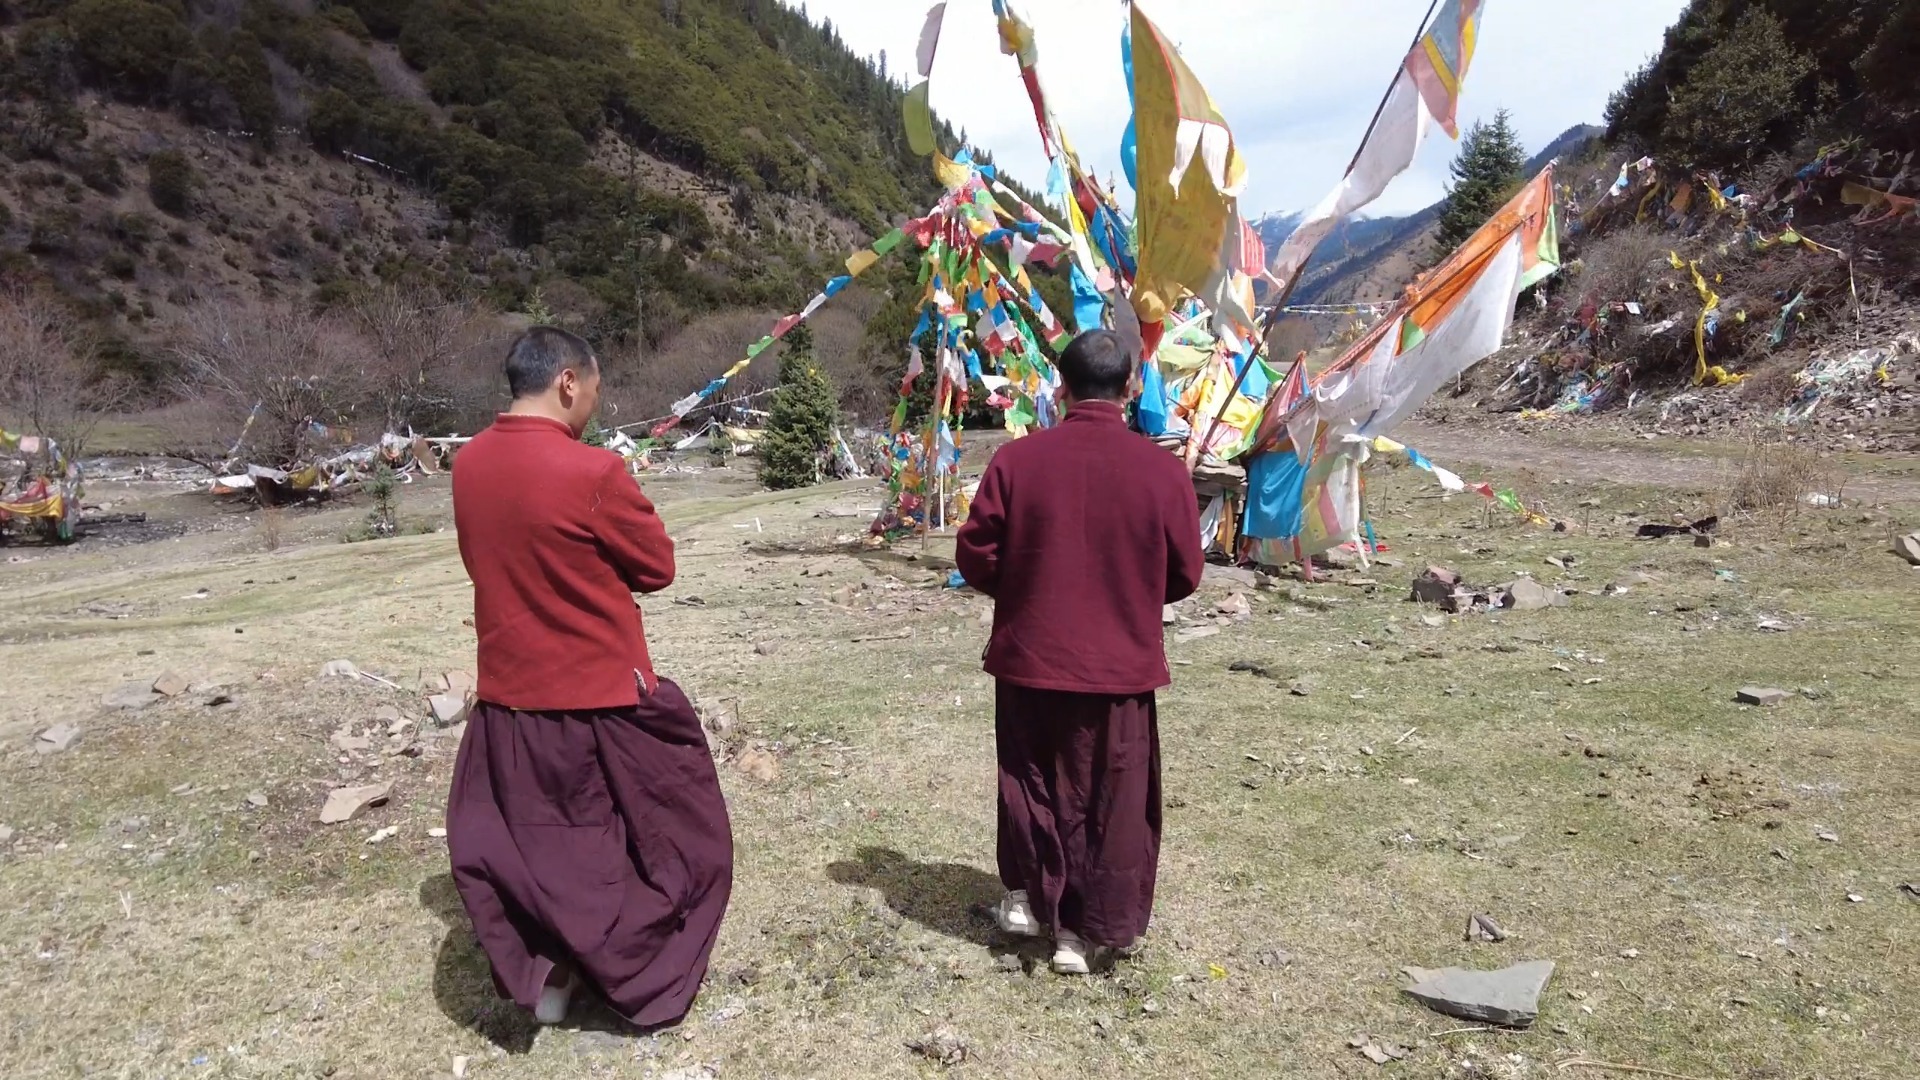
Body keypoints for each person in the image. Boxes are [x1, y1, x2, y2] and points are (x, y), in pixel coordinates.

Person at [446, 326, 733, 1029]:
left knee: (539, 850)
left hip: (509, 701)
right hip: (600, 697)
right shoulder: (593, 472)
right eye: (595, 392)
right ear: (569, 382)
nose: (594, 408)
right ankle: (639, 978)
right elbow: (657, 569)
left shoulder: (470, 464)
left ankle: (549, 975)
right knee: (663, 842)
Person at [955, 329, 1205, 974]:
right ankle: (1081, 931)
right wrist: (1133, 597)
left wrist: (1026, 592)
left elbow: (976, 556)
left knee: (1031, 780)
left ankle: (1034, 904)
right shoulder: (1163, 471)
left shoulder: (1017, 462)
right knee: (1109, 796)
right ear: (1130, 387)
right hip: (1119, 665)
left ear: (1060, 388)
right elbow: (1184, 574)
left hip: (1030, 655)